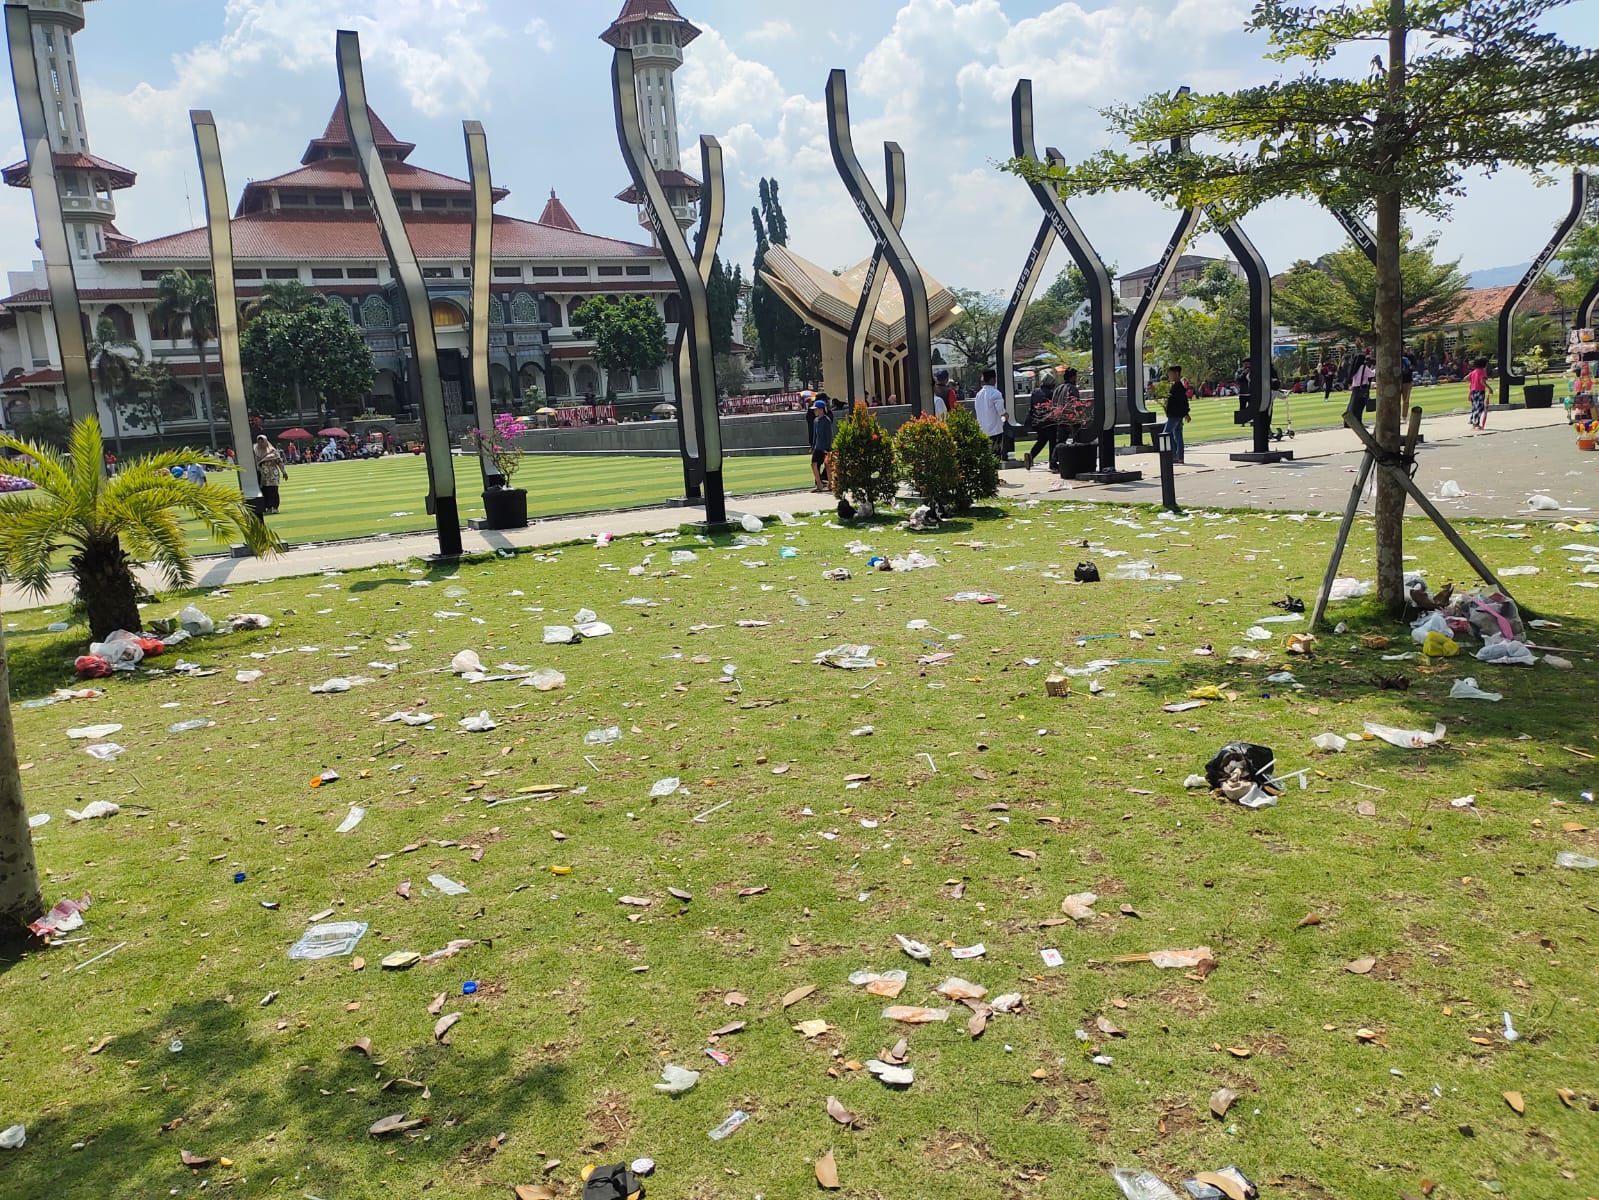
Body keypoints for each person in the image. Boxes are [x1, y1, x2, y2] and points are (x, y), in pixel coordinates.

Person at [1022, 372, 1057, 469]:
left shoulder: (1035, 392)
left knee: (1042, 440)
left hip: (1037, 421)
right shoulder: (1051, 394)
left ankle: (1031, 456)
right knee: (1052, 441)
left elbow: (1032, 407)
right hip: (1049, 421)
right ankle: (1052, 463)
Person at [972, 368, 1007, 460]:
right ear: (993, 379)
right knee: (996, 456)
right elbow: (1001, 411)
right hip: (995, 430)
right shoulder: (996, 393)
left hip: (982, 430)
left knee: (985, 457)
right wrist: (1005, 416)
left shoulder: (978, 395)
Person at [1162, 363, 1191, 464]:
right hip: (1177, 415)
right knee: (1178, 436)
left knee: (1166, 434)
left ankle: (1174, 455)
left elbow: (1183, 401)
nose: (1169, 376)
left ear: (1176, 374)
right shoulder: (1176, 386)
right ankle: (1179, 457)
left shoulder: (1178, 387)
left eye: (1171, 374)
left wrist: (1186, 413)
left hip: (1175, 415)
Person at [254, 434, 286, 514]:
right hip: (262, 475)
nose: (261, 443)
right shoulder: (255, 451)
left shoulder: (272, 451)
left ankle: (275, 507)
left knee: (274, 491)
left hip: (272, 474)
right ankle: (268, 507)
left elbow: (279, 462)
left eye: (262, 441)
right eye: (259, 442)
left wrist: (284, 472)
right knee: (265, 491)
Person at [809, 396, 835, 492]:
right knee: (814, 464)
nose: (814, 411)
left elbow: (829, 435)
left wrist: (828, 448)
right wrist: (813, 446)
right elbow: (815, 435)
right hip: (817, 447)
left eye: (816, 409)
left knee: (827, 465)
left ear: (821, 410)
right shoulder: (815, 421)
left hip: (825, 448)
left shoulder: (827, 421)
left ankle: (830, 484)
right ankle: (819, 484)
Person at [1466, 356, 1492, 430]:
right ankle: (1475, 423)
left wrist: (1473, 382)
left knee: (1475, 406)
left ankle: (1473, 421)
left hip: (1473, 391)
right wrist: (1489, 388)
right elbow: (1482, 381)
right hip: (1480, 391)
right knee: (1479, 407)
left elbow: (1466, 378)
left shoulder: (1474, 371)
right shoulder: (1482, 371)